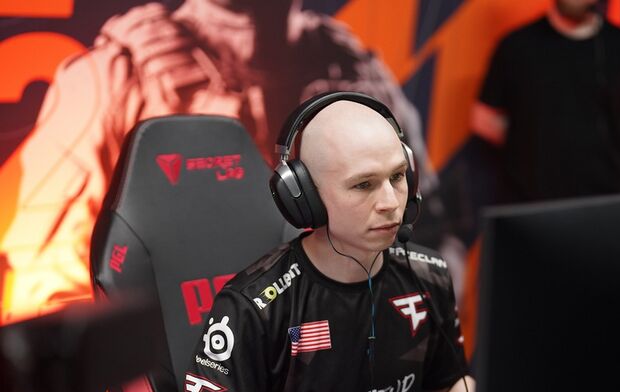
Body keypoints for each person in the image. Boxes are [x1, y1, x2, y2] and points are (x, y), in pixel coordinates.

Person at [169, 95, 474, 392]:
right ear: (305, 198)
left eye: (397, 177)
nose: (390, 203)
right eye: (363, 185)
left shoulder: (427, 275)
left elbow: (446, 388)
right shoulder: (257, 304)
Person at [0, 0, 436, 324]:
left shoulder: (357, 74)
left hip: (326, 363)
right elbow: (48, 283)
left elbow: (431, 229)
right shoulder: (117, 74)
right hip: (187, 375)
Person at [471, 0, 620, 203]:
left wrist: (606, 142)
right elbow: (482, 118)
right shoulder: (516, 45)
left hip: (606, 199)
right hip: (533, 201)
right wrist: (527, 141)